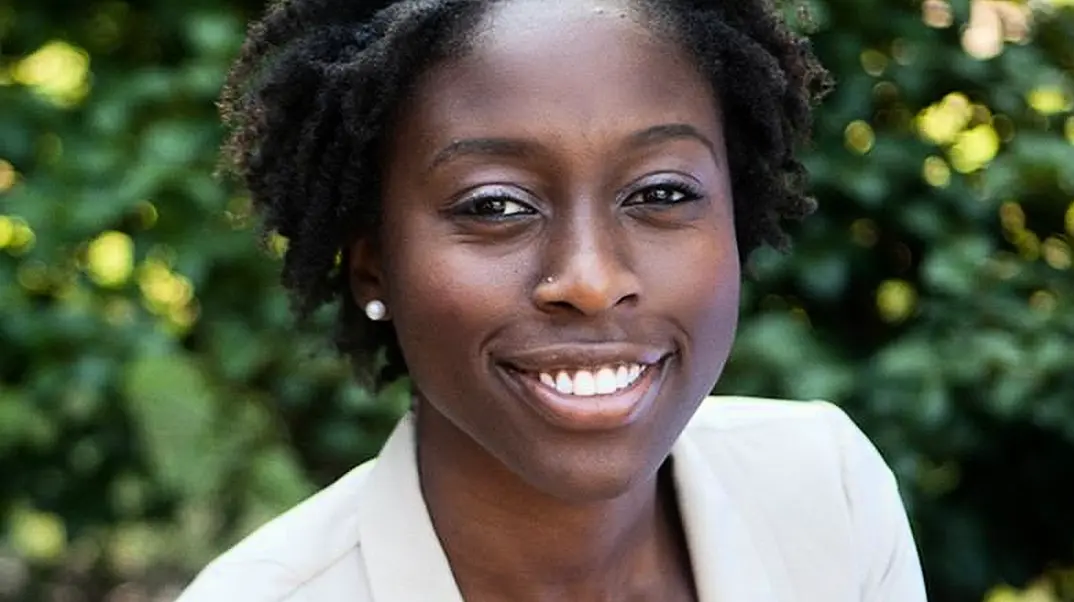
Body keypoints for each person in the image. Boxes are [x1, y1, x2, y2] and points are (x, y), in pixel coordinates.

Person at [178, 0, 928, 600]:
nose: (592, 280)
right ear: (373, 269)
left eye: (662, 192)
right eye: (496, 206)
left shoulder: (825, 494)